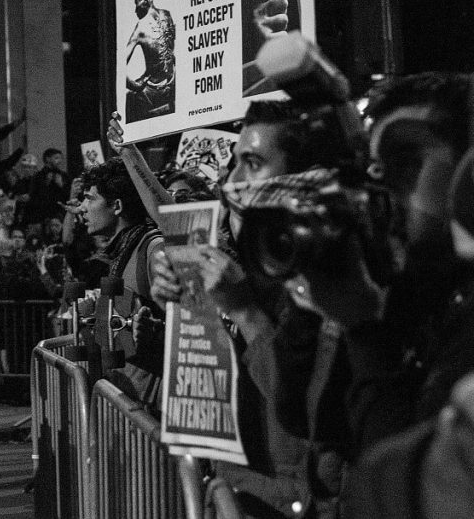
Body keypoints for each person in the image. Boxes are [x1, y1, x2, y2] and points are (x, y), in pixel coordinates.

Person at [139, 100, 362, 517]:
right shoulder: (242, 263)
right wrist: (184, 304)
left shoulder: (336, 281)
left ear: (307, 177)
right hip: (240, 493)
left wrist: (244, 312)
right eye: (234, 163)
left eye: (254, 163)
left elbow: (307, 413)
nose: (233, 180)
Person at [350, 28, 474, 519]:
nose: (380, 188)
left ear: (471, 175)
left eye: (406, 161)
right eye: (372, 169)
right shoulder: (412, 297)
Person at [79, 157, 164, 406]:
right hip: (130, 404)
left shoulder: (153, 250)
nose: (82, 208)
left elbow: (194, 327)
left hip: (153, 411)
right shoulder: (123, 251)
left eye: (90, 198)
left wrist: (155, 332)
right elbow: (125, 342)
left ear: (116, 206)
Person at [124, 0, 176, 123]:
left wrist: (134, 85)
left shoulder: (141, 26)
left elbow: (119, 67)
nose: (135, 9)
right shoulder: (167, 15)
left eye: (137, 3)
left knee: (129, 101)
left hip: (154, 90)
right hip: (171, 83)